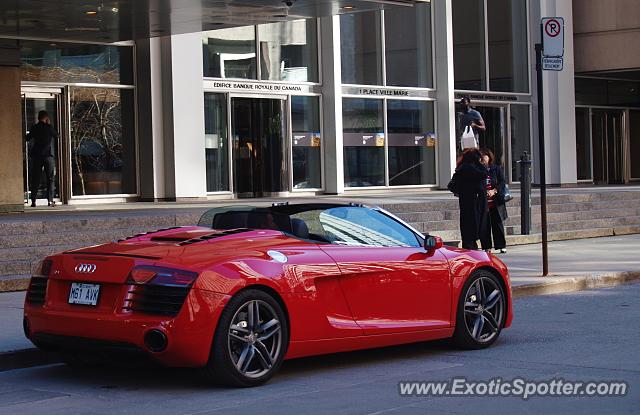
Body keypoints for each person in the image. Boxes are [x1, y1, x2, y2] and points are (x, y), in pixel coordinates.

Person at [451, 148, 491, 250]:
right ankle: (482, 247)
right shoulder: (476, 168)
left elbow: (452, 185)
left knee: (466, 227)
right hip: (477, 202)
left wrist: (462, 191)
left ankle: (469, 247)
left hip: (465, 202)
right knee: (480, 225)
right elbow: (484, 173)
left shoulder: (461, 168)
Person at [26, 110, 58, 207]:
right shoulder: (49, 128)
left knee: (36, 179)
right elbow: (57, 136)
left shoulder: (35, 128)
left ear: (38, 118)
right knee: (50, 178)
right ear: (46, 118)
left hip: (37, 156)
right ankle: (50, 200)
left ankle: (34, 201)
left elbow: (27, 138)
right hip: (48, 156)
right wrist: (49, 125)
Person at [481, 148, 508, 254]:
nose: (483, 158)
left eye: (485, 156)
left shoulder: (496, 169)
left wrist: (494, 190)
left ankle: (501, 245)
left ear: (489, 157)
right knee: (485, 226)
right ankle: (486, 247)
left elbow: (502, 182)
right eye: (481, 157)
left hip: (495, 201)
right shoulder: (479, 170)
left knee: (497, 225)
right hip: (484, 203)